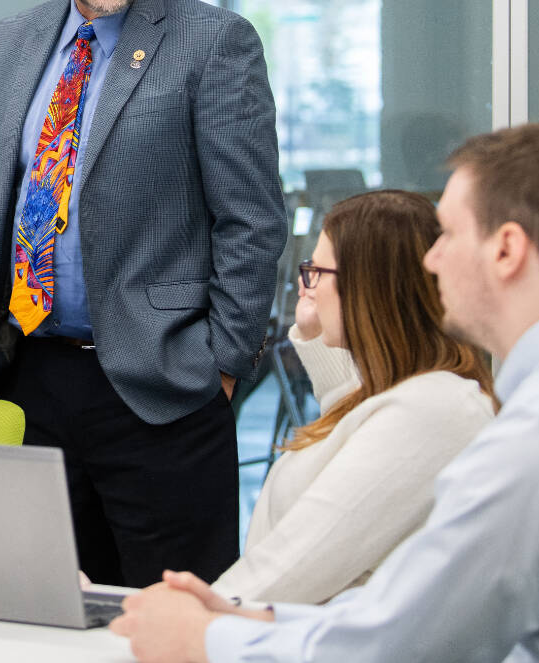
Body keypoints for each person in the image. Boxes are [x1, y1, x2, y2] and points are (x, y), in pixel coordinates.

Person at [111, 123, 539, 663]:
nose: (432, 259)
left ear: (507, 250)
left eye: (446, 233)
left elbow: (394, 645)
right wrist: (249, 620)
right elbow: (407, 614)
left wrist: (205, 638)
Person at [0, 0, 286, 586]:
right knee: (41, 616)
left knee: (171, 621)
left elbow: (253, 221)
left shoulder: (213, 43)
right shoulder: (11, 42)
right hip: (33, 379)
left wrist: (223, 367)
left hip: (160, 389)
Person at [210, 191, 494, 606]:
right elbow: (347, 424)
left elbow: (294, 565)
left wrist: (182, 614)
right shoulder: (408, 395)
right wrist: (314, 332)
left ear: (371, 288)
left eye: (317, 273)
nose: (305, 288)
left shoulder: (430, 411)